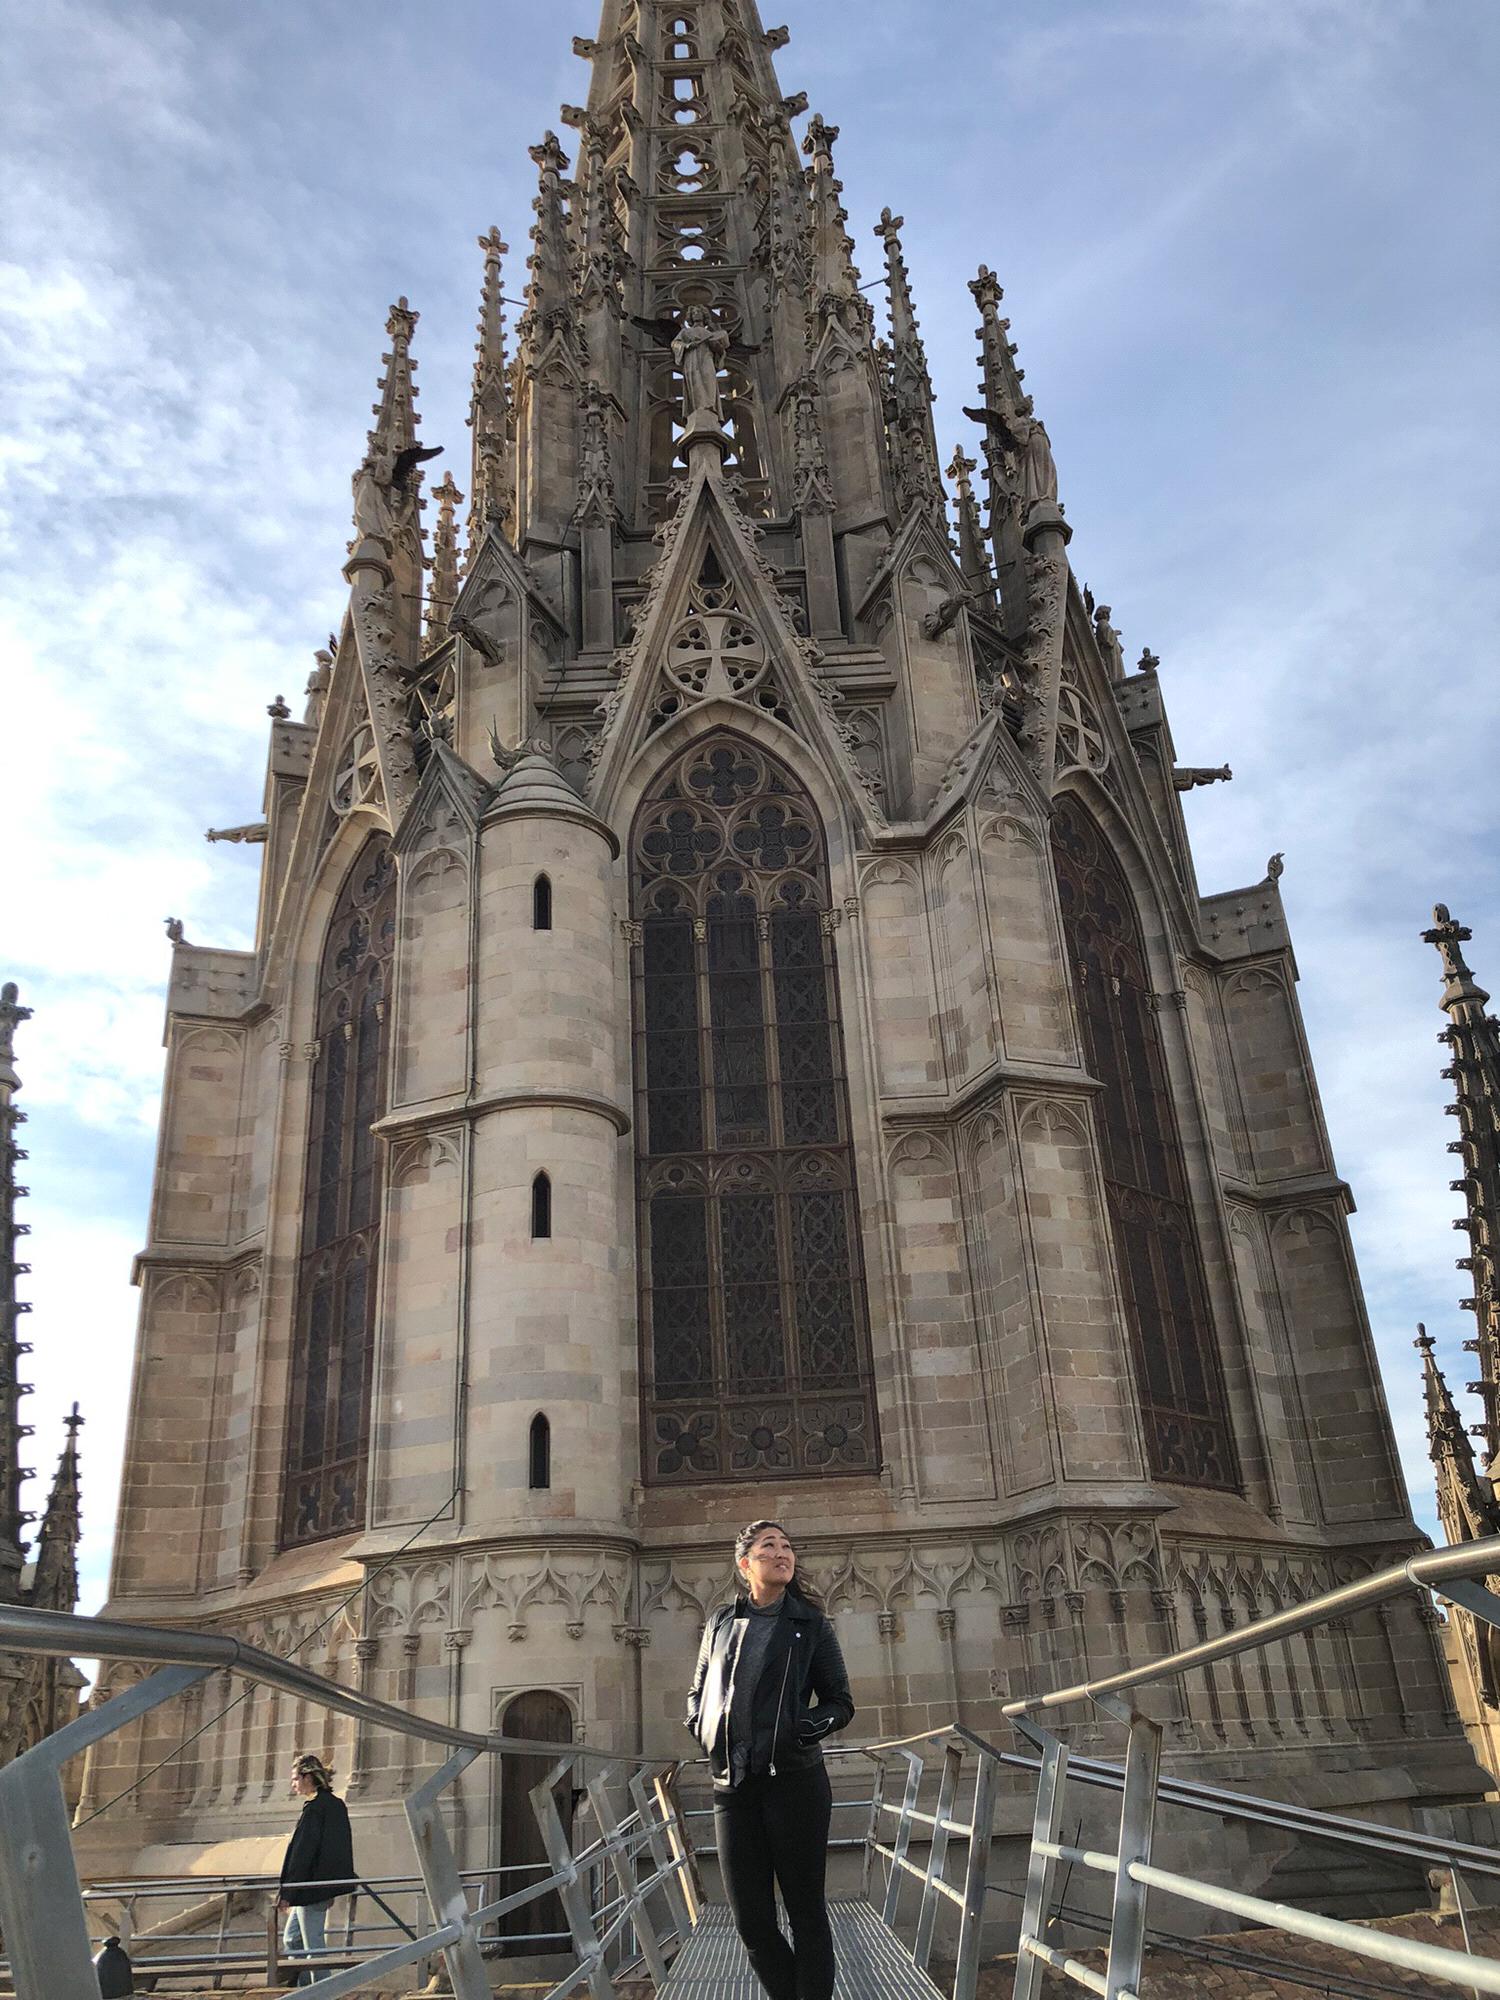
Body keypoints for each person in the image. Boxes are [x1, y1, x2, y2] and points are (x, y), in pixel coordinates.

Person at [686, 1520, 854, 2000]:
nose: (782, 1553)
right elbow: (698, 1692)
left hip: (795, 1784)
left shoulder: (810, 1624)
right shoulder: (720, 1622)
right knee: (751, 1922)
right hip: (732, 1787)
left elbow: (841, 1702)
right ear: (745, 1564)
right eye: (768, 1547)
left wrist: (799, 1730)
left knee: (805, 1912)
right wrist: (701, 1729)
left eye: (786, 1546)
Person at [277, 1751, 355, 1986]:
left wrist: (288, 1893)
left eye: (295, 1779)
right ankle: (305, 1988)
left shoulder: (316, 1809)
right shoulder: (334, 1806)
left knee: (312, 1943)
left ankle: (322, 1991)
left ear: (307, 1778)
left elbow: (303, 1854)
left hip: (309, 1888)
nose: (293, 1784)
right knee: (293, 1939)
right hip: (317, 1887)